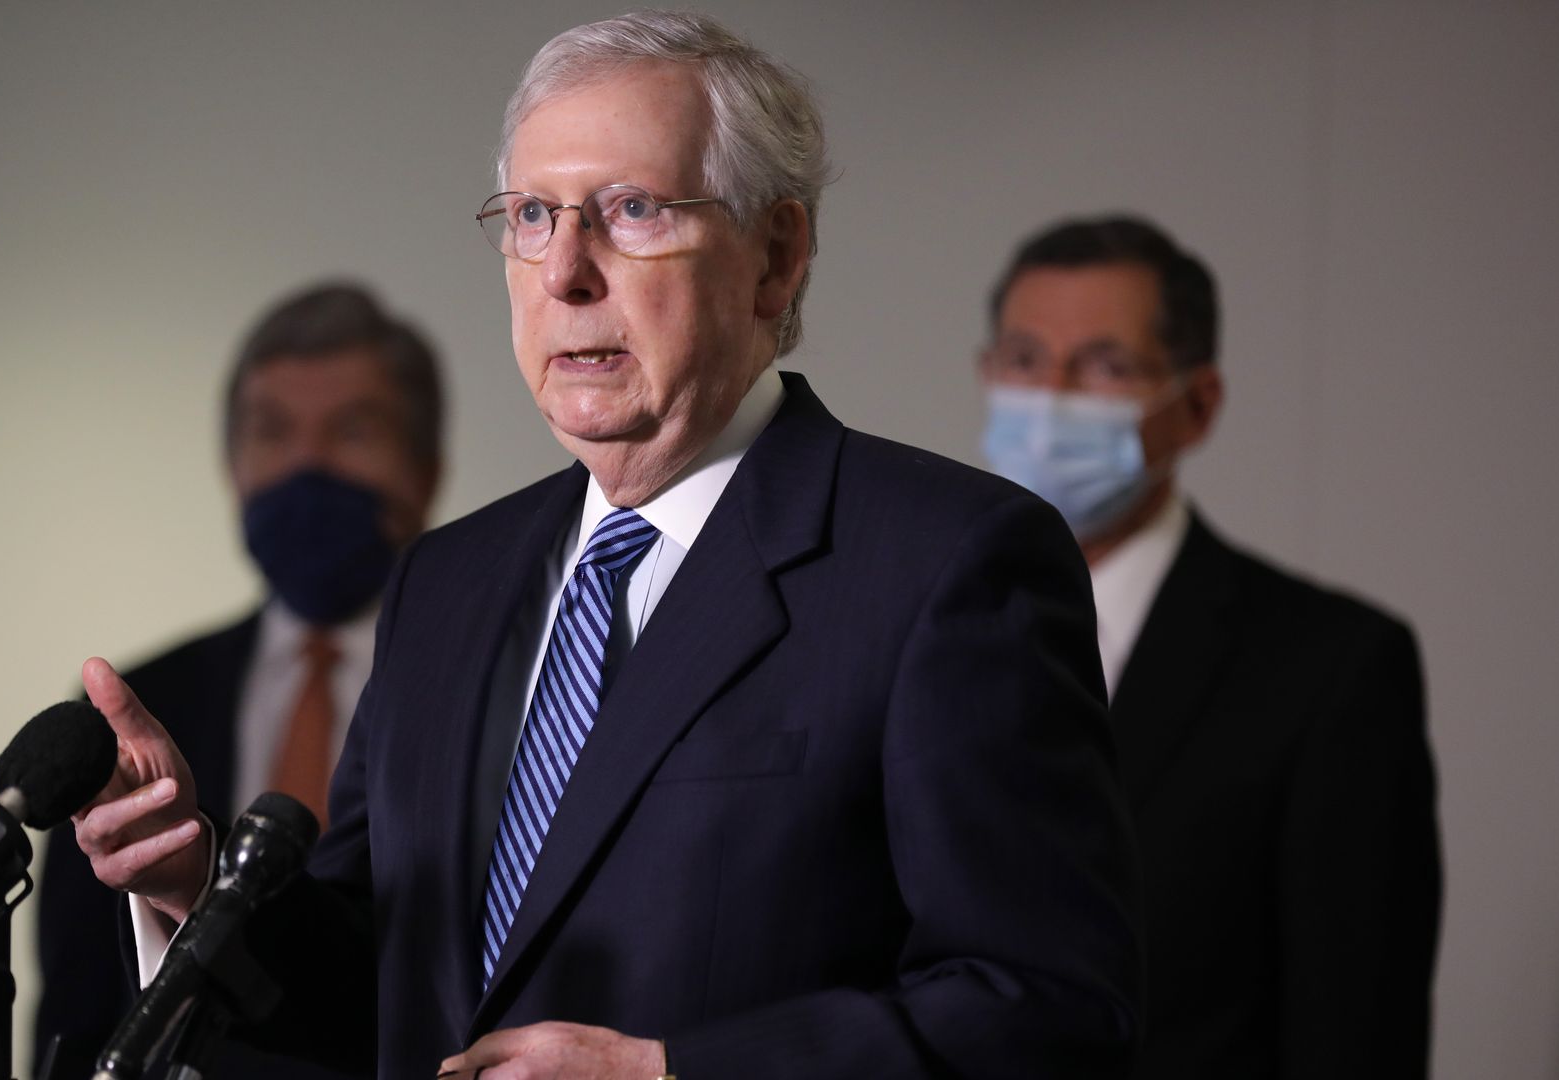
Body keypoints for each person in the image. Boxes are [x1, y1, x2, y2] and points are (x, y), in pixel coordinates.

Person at [69, 13, 1142, 1078]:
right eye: (533, 215)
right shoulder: (447, 582)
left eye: (630, 211)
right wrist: (197, 879)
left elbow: (1043, 1012)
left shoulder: (946, 564)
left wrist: (671, 1076)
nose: (566, 272)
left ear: (776, 257)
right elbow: (379, 985)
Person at [976, 214, 1442, 1079]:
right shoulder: (921, 628)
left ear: (1196, 405)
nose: (1050, 399)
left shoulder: (1329, 668)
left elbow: (1355, 1034)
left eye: (1105, 367)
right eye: (1026, 360)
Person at [33, 282, 444, 1079]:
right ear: (231, 465)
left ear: (425, 467)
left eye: (352, 430)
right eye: (273, 432)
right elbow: (78, 1019)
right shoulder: (128, 715)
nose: (306, 465)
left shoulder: (513, 689)